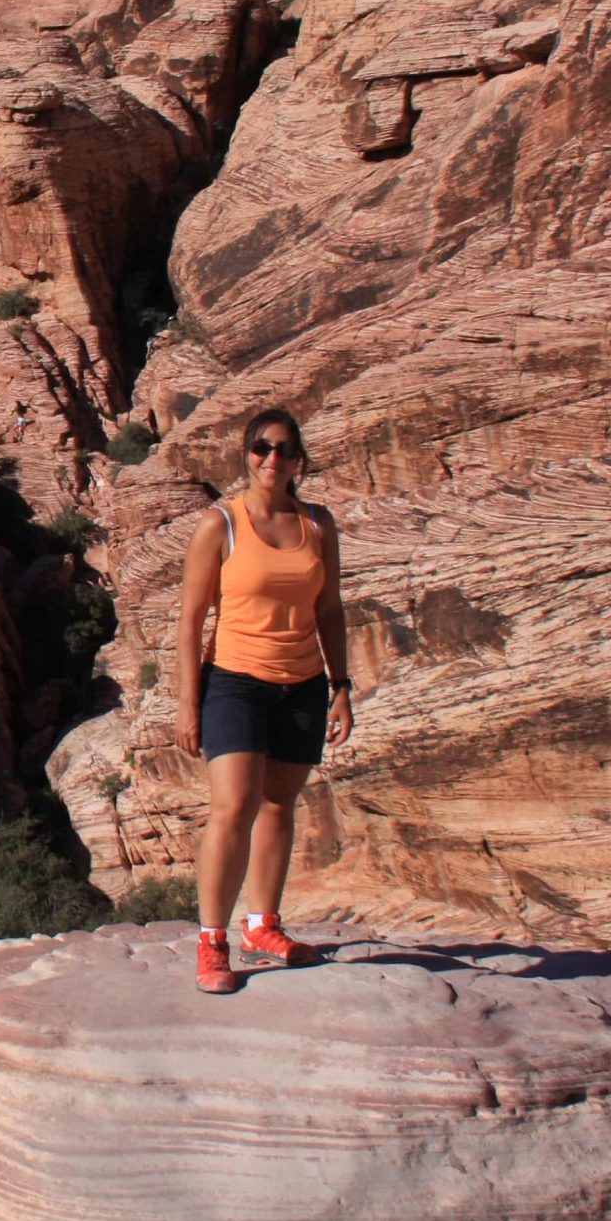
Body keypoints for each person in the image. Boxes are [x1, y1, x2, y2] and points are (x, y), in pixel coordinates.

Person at [170, 408, 352, 994]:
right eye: (261, 448)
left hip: (302, 683)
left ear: (300, 461)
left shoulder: (318, 525)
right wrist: (188, 704)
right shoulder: (219, 524)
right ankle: (212, 941)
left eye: (284, 449)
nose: (271, 459)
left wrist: (342, 685)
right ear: (245, 455)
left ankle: (262, 926)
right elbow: (191, 620)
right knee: (233, 806)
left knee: (279, 805)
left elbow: (329, 609)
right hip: (235, 681)